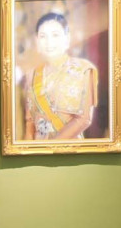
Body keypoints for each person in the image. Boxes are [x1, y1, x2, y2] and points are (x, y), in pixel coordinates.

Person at [22, 11, 99, 142]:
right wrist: (27, 150)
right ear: (37, 41)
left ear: (67, 39)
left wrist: (51, 147)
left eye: (55, 35)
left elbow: (84, 119)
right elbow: (30, 123)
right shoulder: (32, 75)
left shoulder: (82, 70)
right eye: (43, 36)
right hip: (38, 149)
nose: (49, 42)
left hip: (70, 149)